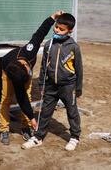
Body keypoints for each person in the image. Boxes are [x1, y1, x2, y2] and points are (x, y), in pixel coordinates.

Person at [0, 10, 64, 145]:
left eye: (29, 72)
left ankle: (26, 126)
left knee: (27, 96)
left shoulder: (30, 49)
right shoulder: (16, 75)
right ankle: (3, 129)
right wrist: (34, 118)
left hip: (17, 69)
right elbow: (20, 97)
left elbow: (41, 32)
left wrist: (53, 17)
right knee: (6, 98)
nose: (30, 73)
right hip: (7, 69)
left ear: (25, 65)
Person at [22, 13, 83, 151]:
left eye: (61, 29)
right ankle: (38, 137)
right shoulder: (49, 44)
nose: (57, 30)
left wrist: (78, 88)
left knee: (72, 112)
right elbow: (44, 65)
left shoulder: (74, 47)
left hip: (68, 86)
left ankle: (75, 137)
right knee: (45, 112)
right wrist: (42, 84)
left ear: (69, 31)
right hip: (50, 86)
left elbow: (79, 69)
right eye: (56, 27)